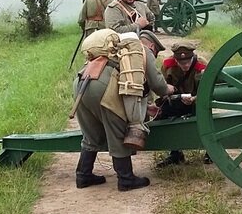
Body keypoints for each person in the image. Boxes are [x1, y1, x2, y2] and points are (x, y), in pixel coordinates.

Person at [72, 28, 176, 191]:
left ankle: (83, 175)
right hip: (104, 87)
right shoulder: (142, 50)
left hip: (82, 82)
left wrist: (145, 107)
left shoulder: (113, 49)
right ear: (152, 46)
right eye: (155, 52)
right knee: (117, 130)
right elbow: (157, 84)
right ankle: (126, 179)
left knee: (91, 133)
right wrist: (168, 90)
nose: (154, 55)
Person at [156, 41, 211, 167]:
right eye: (181, 63)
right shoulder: (168, 65)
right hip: (178, 100)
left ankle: (210, 151)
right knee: (165, 113)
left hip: (198, 101)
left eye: (187, 62)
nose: (185, 65)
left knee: (205, 117)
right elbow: (163, 87)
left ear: (192, 57)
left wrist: (195, 98)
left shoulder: (201, 65)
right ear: (176, 60)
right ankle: (175, 154)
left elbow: (209, 89)